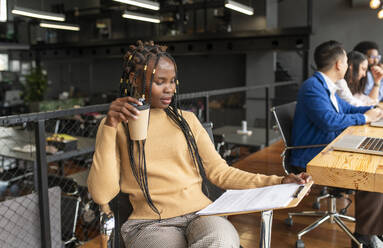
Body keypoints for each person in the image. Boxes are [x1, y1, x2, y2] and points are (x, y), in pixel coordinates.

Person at [87, 40, 311, 248]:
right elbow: (101, 195)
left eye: (172, 80)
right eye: (160, 81)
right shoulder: (116, 127)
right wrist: (109, 126)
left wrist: (278, 181)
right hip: (150, 223)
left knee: (221, 240)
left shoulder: (187, 120)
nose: (170, 89)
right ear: (135, 80)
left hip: (201, 213)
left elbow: (220, 173)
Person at [290, 40, 383, 248]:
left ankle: (374, 230)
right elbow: (328, 120)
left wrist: (373, 111)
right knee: (372, 175)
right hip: (310, 157)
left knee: (375, 163)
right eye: (347, 60)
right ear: (339, 64)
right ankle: (365, 237)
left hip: (324, 148)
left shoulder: (325, 86)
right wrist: (365, 118)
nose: (349, 64)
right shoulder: (312, 87)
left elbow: (347, 109)